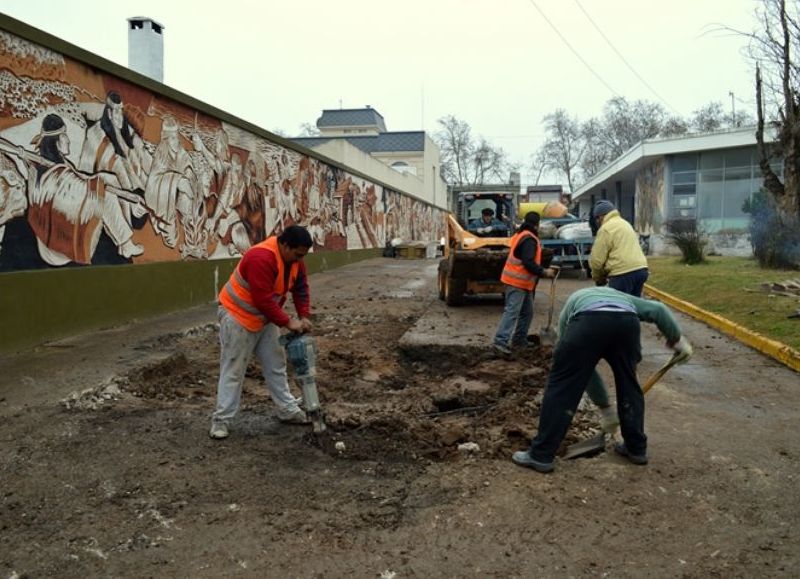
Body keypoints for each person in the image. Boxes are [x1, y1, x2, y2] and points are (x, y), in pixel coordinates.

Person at [511, 286, 693, 473]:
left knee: (562, 385)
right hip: (626, 325)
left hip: (587, 322)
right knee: (629, 384)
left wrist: (605, 407)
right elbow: (659, 310)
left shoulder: (572, 307)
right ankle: (636, 448)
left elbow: (583, 371)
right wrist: (677, 340)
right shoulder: (622, 298)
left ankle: (541, 454)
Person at [210, 225, 315, 439]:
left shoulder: (295, 260)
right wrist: (288, 322)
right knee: (234, 369)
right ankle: (221, 421)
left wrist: (304, 315)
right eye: (297, 254)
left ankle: (287, 410)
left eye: (302, 256)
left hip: (264, 318)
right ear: (285, 245)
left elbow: (301, 287)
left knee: (276, 364)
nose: (299, 260)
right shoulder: (261, 257)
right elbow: (262, 299)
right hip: (237, 316)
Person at [492, 211, 557, 355]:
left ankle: (519, 340)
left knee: (527, 313)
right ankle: (500, 341)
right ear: (538, 224)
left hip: (522, 283)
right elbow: (528, 262)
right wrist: (544, 272)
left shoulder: (520, 234)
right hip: (517, 282)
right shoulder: (529, 239)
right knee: (512, 312)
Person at [589, 200, 649, 297]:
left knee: (618, 307)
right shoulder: (625, 223)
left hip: (622, 273)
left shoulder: (605, 229)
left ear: (601, 217)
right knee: (634, 305)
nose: (597, 222)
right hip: (641, 269)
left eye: (596, 218)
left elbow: (596, 261)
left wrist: (598, 278)